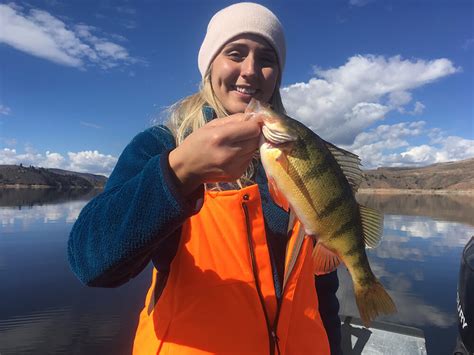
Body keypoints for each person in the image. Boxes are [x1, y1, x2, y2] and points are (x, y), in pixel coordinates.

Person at [68, 2, 342, 354]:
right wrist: (181, 170)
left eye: (266, 59)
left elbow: (322, 292)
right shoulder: (163, 145)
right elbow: (90, 263)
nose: (250, 71)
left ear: (278, 75)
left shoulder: (300, 157)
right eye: (235, 53)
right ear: (211, 65)